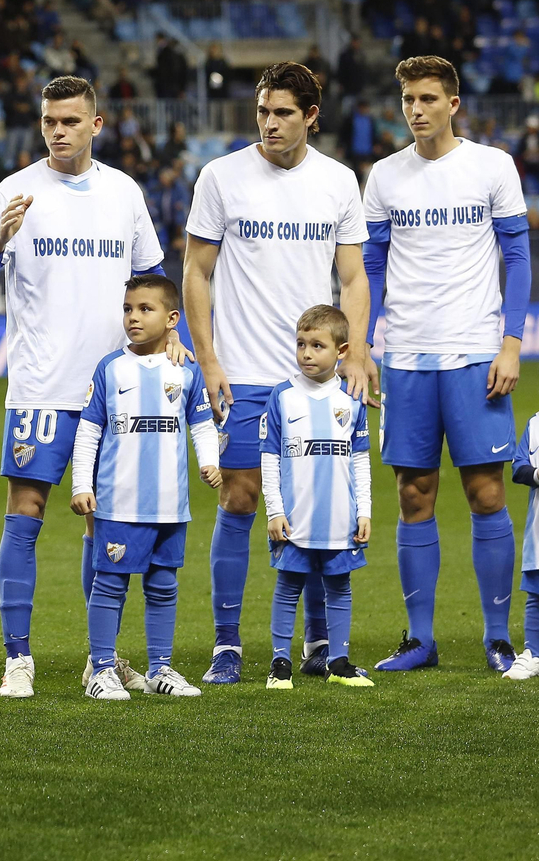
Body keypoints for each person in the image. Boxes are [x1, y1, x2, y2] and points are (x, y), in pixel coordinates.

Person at [0, 75, 169, 699]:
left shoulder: (124, 193)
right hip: (40, 387)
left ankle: (100, 660)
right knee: (24, 514)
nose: (58, 131)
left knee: (103, 523)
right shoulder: (15, 190)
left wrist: (169, 340)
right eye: (50, 121)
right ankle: (17, 658)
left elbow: (151, 279)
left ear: (96, 125)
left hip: (109, 391)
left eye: (71, 121)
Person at [182, 61, 372, 685]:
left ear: (312, 116)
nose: (269, 123)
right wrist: (208, 358)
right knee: (238, 499)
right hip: (242, 373)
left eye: (283, 112)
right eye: (263, 111)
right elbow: (197, 273)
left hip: (317, 376)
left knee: (320, 504)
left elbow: (352, 277)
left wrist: (359, 351)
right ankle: (228, 645)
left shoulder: (340, 182)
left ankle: (319, 639)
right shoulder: (221, 176)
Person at [359, 56, 530, 674]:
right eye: (408, 99)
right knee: (414, 493)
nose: (416, 109)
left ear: (453, 103)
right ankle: (421, 639)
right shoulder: (382, 177)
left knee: (486, 492)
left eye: (428, 98)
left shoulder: (491, 166)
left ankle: (496, 636)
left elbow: (518, 251)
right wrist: (363, 341)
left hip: (474, 352)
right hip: (405, 356)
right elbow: (371, 268)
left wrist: (510, 342)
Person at [71, 275, 219, 701]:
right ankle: (101, 669)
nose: (133, 317)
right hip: (119, 503)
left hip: (171, 505)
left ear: (173, 319)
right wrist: (83, 483)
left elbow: (202, 423)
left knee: (163, 586)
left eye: (144, 309)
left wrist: (209, 462)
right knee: (111, 584)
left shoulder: (185, 370)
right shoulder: (110, 368)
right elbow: (89, 432)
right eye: (128, 309)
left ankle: (160, 669)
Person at [262, 306, 375, 689]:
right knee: (288, 586)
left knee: (339, 587)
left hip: (340, 518)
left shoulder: (351, 398)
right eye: (301, 344)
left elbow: (360, 462)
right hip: (295, 519)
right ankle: (280, 663)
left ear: (341, 351)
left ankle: (338, 661)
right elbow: (269, 459)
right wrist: (274, 510)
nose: (306, 353)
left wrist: (365, 511)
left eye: (317, 345)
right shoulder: (282, 397)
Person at [508, 414, 539, 680]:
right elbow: (518, 468)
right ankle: (534, 654)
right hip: (538, 532)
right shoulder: (535, 424)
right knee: (536, 594)